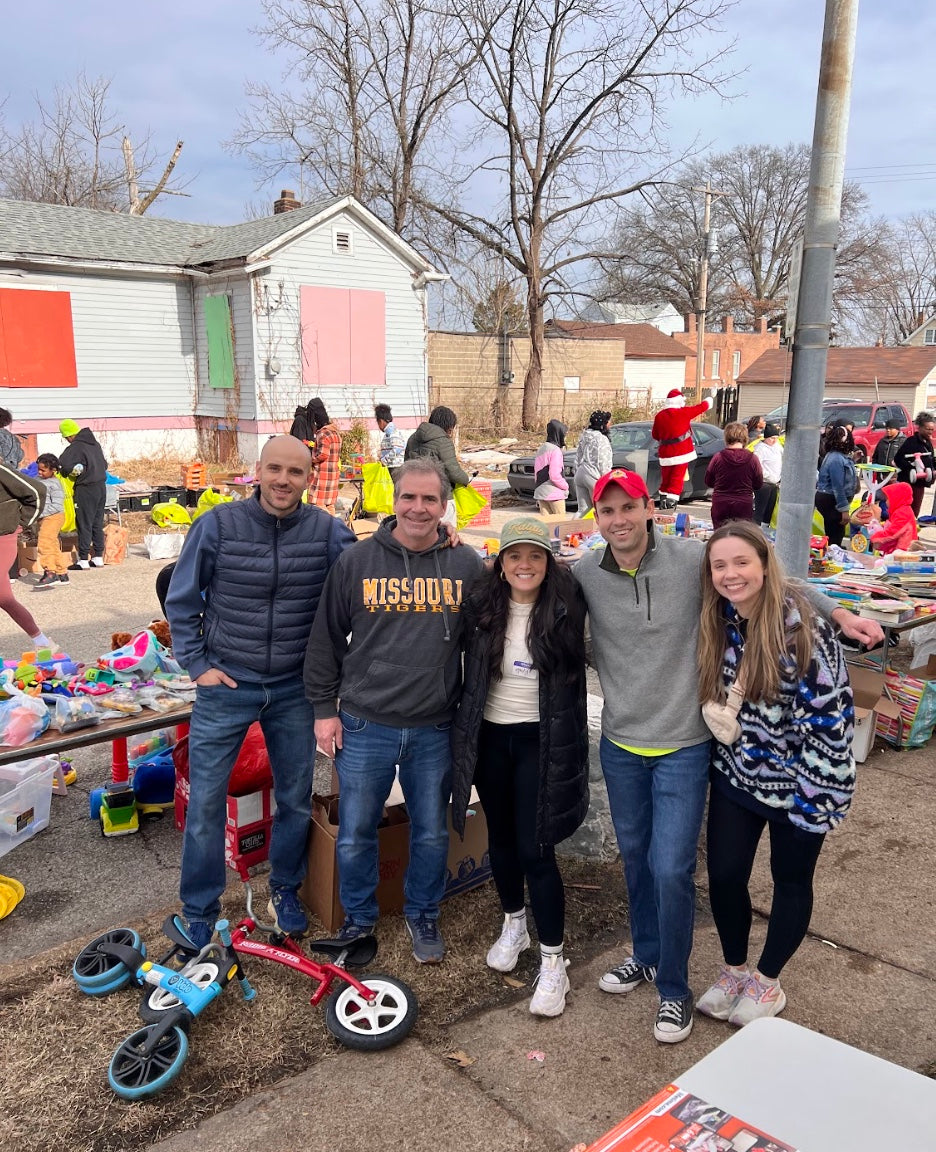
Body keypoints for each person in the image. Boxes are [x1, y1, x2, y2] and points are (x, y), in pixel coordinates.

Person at [572, 467, 879, 1045]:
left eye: (627, 508)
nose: (618, 520)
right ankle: (648, 953)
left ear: (648, 509)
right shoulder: (586, 572)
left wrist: (836, 612)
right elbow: (537, 595)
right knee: (642, 862)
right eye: (605, 511)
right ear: (597, 517)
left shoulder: (696, 560)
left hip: (688, 745)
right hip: (626, 744)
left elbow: (778, 582)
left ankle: (674, 990)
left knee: (673, 868)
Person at [166, 435, 356, 948]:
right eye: (275, 469)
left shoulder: (326, 533)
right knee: (205, 802)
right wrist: (197, 663)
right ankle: (200, 910)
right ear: (258, 470)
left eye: (295, 473)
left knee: (294, 798)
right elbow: (181, 599)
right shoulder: (219, 525)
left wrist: (434, 537)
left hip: (294, 688)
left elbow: (371, 569)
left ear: (308, 478)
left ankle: (285, 888)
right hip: (227, 685)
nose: (283, 481)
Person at [305, 457, 483, 964]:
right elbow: (325, 640)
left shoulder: (464, 564)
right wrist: (324, 707)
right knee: (357, 831)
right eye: (410, 497)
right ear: (394, 499)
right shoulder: (357, 562)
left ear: (444, 506)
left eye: (430, 499)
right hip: (365, 723)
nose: (419, 508)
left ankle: (422, 912)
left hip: (434, 727)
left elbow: (482, 642)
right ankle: (359, 918)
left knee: (430, 830)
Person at [695, 522, 854, 1027]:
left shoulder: (804, 630)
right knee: (723, 876)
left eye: (742, 562)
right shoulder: (718, 620)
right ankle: (735, 969)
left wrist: (813, 803)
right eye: (720, 565)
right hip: (739, 778)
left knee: (790, 881)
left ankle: (767, 981)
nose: (730, 574)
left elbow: (832, 724)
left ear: (765, 564)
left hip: (800, 785)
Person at [451, 516, 588, 1016]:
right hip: (490, 736)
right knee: (501, 840)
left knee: (537, 848)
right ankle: (515, 924)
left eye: (534, 555)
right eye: (515, 556)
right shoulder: (483, 607)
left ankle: (554, 962)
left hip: (541, 739)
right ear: (501, 563)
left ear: (548, 562)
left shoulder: (567, 605)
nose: (524, 565)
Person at [0, 461, 53, 648]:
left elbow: (37, 491)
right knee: (5, 598)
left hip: (3, 539)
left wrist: (21, 522)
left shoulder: (1, 470)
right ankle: (43, 642)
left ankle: (42, 642)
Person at [58, 419, 108, 570]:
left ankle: (84, 559)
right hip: (101, 487)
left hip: (85, 489)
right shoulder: (94, 443)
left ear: (69, 435)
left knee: (84, 523)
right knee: (97, 522)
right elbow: (104, 464)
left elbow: (63, 465)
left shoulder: (76, 447)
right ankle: (98, 556)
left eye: (66, 438)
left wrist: (74, 471)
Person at [651, 390, 713, 510]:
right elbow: (700, 407)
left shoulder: (659, 416)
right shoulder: (684, 412)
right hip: (682, 452)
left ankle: (663, 501)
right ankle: (670, 504)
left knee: (666, 479)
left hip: (665, 454)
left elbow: (655, 435)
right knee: (677, 479)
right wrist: (709, 400)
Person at [704, 423, 763, 529]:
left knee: (720, 536)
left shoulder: (718, 457)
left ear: (726, 437)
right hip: (743, 503)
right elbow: (758, 483)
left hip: (721, 502)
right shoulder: (753, 459)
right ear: (745, 438)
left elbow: (708, 481)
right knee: (741, 536)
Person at [815, 424, 858, 547]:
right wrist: (844, 510)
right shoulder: (836, 459)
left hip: (828, 498)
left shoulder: (835, 456)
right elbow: (837, 486)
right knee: (835, 534)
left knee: (834, 532)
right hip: (831, 499)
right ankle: (834, 555)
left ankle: (834, 550)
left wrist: (853, 460)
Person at [33, 454, 70, 588]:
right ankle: (62, 573)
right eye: (39, 469)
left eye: (43, 470)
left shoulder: (55, 484)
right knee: (53, 544)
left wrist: (39, 512)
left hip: (54, 516)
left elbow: (57, 506)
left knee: (44, 542)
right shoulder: (37, 479)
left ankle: (50, 572)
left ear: (53, 470)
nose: (40, 472)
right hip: (43, 518)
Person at [894, 411, 935, 518]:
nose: (931, 431)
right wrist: (911, 469)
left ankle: (911, 530)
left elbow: (929, 460)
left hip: (920, 484)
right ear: (920, 428)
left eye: (932, 429)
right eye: (928, 429)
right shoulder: (911, 441)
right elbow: (898, 458)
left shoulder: (928, 443)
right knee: (906, 510)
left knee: (915, 511)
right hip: (909, 483)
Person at [573, 410, 612, 517]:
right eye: (608, 422)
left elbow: (578, 457)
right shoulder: (601, 439)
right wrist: (607, 480)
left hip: (580, 473)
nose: (610, 424)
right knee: (600, 510)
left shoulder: (584, 436)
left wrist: (577, 470)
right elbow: (603, 461)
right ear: (603, 424)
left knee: (582, 510)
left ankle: (573, 531)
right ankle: (599, 533)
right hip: (593, 476)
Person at [307, 398, 342, 514]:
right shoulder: (335, 432)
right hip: (333, 474)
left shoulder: (323, 433)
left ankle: (325, 529)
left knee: (317, 506)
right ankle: (333, 530)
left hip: (322, 476)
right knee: (330, 505)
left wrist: (311, 459)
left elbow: (323, 454)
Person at [869, 481, 918, 554]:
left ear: (896, 498)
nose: (886, 502)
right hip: (899, 549)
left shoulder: (903, 513)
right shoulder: (900, 510)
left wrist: (877, 537)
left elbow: (894, 532)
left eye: (888, 499)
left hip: (903, 550)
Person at [533, 420, 569, 515]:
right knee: (560, 526)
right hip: (554, 493)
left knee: (547, 526)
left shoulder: (541, 449)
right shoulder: (555, 450)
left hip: (540, 491)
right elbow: (554, 475)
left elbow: (536, 472)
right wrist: (565, 486)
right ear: (558, 434)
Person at [752, 422, 783, 527]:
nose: (774, 440)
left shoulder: (778, 447)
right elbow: (757, 467)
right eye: (771, 438)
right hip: (764, 483)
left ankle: (766, 527)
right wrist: (769, 476)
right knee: (761, 509)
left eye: (776, 438)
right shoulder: (760, 449)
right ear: (766, 438)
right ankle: (757, 527)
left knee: (769, 510)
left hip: (774, 483)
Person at [375, 403, 406, 478]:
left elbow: (397, 448)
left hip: (396, 468)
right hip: (392, 466)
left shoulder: (392, 432)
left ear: (381, 421)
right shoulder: (389, 432)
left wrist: (384, 461)